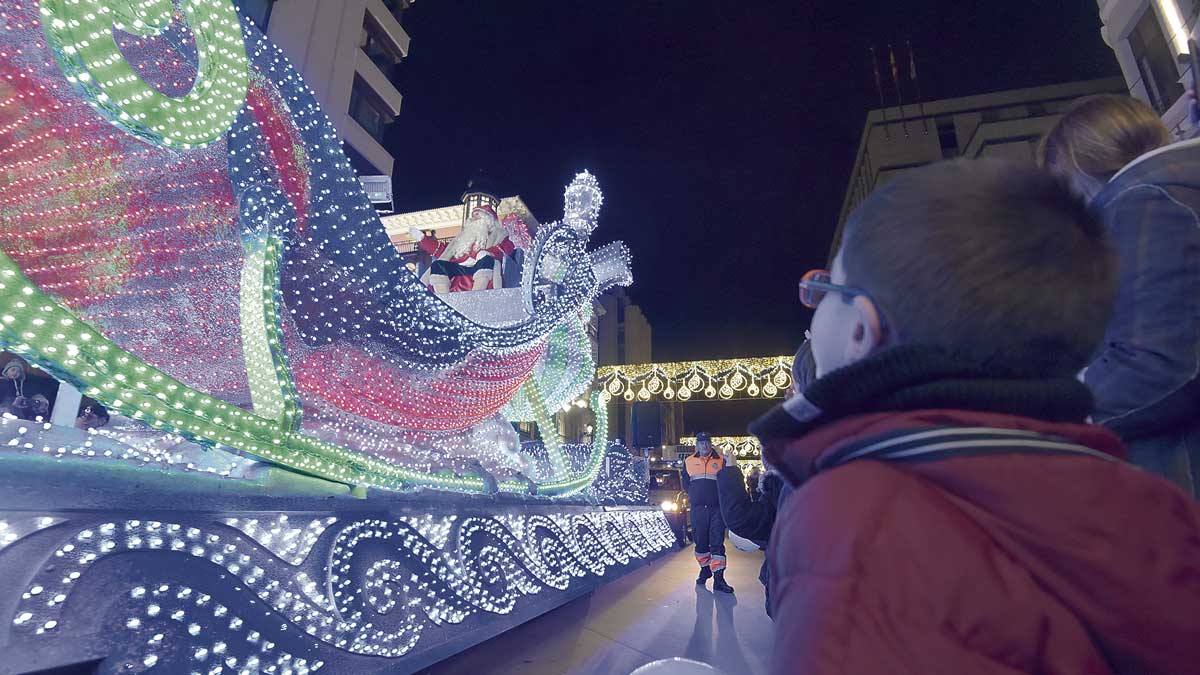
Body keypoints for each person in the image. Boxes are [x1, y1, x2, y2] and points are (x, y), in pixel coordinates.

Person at [751, 159, 1200, 674]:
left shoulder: (854, 516)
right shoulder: (1158, 502)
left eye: (824, 289)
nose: (813, 312)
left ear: (861, 330)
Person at [1038, 94, 1200, 496]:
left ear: (1074, 163)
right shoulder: (1180, 185)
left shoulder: (1142, 198)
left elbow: (1161, 366)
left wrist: (1053, 412)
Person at [717, 340, 815, 617]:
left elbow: (746, 520)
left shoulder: (806, 464)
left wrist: (731, 471)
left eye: (795, 385)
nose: (787, 392)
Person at [681, 432, 734, 593]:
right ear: (697, 445)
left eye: (707, 442)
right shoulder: (688, 461)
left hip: (716, 509)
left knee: (717, 542)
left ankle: (719, 579)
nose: (704, 445)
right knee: (700, 542)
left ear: (710, 444)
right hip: (698, 509)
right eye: (701, 443)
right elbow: (685, 481)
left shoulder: (721, 460)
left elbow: (728, 481)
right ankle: (705, 569)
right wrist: (693, 495)